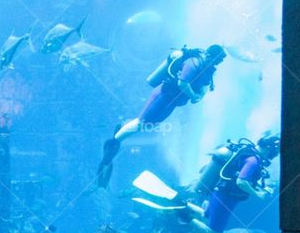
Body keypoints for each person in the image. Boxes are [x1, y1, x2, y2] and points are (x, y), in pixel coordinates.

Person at [97, 44, 227, 187]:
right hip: (163, 96)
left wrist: (199, 96)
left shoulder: (208, 69)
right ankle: (113, 143)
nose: (219, 62)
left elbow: (204, 86)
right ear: (210, 55)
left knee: (149, 125)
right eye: (219, 59)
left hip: (173, 101)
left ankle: (122, 128)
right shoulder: (193, 63)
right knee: (142, 123)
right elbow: (182, 83)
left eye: (220, 60)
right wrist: (193, 95)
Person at [191, 133, 280, 233]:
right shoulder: (253, 161)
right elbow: (241, 181)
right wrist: (258, 194)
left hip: (220, 192)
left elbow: (242, 176)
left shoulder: (249, 153)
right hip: (225, 198)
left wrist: (261, 187)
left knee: (205, 214)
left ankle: (185, 206)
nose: (272, 156)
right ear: (267, 148)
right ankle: (184, 215)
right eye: (273, 153)